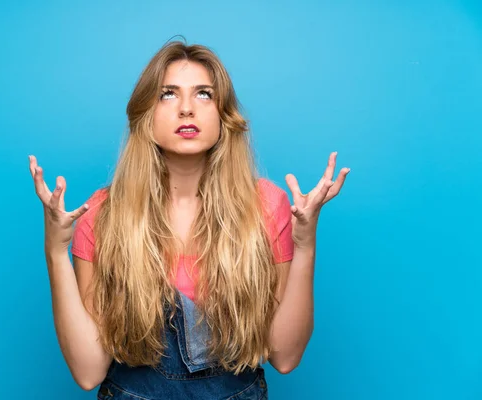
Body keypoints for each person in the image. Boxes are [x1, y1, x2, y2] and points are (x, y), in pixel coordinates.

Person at [28, 40, 349, 399]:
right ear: (145, 115)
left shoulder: (266, 206)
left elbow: (285, 356)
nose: (185, 109)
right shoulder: (103, 214)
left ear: (224, 115)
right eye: (168, 94)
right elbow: (88, 373)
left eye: (203, 95)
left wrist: (305, 244)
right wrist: (56, 251)